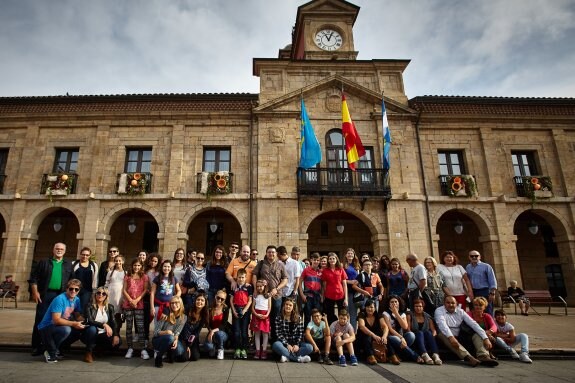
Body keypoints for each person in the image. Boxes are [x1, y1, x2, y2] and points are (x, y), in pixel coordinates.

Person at [29, 242, 73, 356]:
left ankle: (54, 346)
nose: (59, 250)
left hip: (61, 296)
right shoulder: (44, 262)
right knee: (40, 319)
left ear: (65, 251)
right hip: (45, 294)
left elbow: (72, 281)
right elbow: (34, 278)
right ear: (53, 250)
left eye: (61, 249)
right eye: (57, 248)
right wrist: (35, 292)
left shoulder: (68, 264)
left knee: (59, 320)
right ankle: (36, 346)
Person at [434, 295, 498, 367]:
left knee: (477, 334)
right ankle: (468, 357)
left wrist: (485, 338)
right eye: (448, 303)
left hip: (460, 335)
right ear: (444, 303)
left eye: (453, 303)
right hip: (446, 336)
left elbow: (473, 324)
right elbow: (443, 326)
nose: (450, 305)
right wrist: (451, 337)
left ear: (456, 304)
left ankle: (483, 356)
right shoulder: (439, 311)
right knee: (443, 335)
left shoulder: (461, 311)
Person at [37, 279, 86, 363]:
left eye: (76, 289)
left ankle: (57, 348)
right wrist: (74, 323)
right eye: (71, 289)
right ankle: (50, 351)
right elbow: (56, 320)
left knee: (78, 332)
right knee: (66, 330)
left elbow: (77, 315)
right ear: (66, 289)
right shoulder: (60, 299)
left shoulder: (77, 299)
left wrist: (86, 321)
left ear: (79, 290)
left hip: (61, 325)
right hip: (47, 326)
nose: (73, 291)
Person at [252, 245, 288, 336]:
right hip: (263, 296)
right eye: (269, 252)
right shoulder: (261, 263)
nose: (271, 254)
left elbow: (285, 279)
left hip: (276, 295)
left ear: (276, 254)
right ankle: (259, 342)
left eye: (273, 252)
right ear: (266, 253)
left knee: (275, 318)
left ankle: (274, 340)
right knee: (261, 317)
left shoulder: (281, 265)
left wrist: (277, 288)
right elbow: (254, 275)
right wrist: (256, 288)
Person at [82, 286, 121, 363]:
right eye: (98, 293)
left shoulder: (110, 307)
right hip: (90, 333)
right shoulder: (89, 306)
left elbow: (113, 322)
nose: (100, 295)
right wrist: (104, 325)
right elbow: (90, 321)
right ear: (95, 294)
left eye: (104, 294)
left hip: (102, 333)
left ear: (106, 296)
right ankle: (88, 352)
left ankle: (99, 349)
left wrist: (116, 335)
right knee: (92, 328)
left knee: (118, 342)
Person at [122, 258, 149, 360]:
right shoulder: (127, 276)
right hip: (128, 304)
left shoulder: (144, 277)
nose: (136, 267)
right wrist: (130, 300)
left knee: (140, 327)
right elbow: (124, 290)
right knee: (129, 327)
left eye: (138, 265)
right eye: (135, 265)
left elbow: (145, 290)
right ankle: (130, 348)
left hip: (139, 304)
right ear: (132, 266)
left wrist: (136, 300)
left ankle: (143, 349)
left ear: (141, 266)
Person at [381, 295, 420, 364]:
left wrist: (396, 313)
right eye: (392, 302)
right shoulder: (385, 313)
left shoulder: (402, 314)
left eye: (396, 302)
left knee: (411, 335)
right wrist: (401, 338)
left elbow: (405, 327)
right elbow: (390, 329)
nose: (394, 303)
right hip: (392, 336)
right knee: (396, 339)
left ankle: (398, 355)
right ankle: (414, 355)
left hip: (401, 335)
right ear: (389, 304)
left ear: (399, 303)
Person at [272, 298, 313, 363]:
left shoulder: (298, 318)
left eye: (290, 305)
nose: (288, 306)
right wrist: (287, 344)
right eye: (286, 304)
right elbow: (278, 334)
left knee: (309, 347)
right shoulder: (279, 317)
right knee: (276, 345)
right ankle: (298, 359)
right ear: (284, 305)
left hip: (295, 344)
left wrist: (297, 345)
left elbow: (300, 333)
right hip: (284, 344)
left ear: (293, 307)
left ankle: (286, 357)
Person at [152, 296, 187, 368]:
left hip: (172, 338)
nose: (174, 305)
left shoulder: (184, 317)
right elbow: (155, 332)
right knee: (170, 338)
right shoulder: (165, 314)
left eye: (176, 303)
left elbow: (177, 332)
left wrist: (176, 340)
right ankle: (159, 357)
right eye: (172, 303)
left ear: (180, 304)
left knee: (180, 351)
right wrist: (166, 332)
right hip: (158, 340)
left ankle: (169, 353)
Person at [408, 298, 442, 365]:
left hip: (426, 339)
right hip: (415, 339)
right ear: (413, 307)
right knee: (420, 332)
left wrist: (433, 336)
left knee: (428, 332)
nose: (418, 308)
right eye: (416, 306)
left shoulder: (427, 316)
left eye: (420, 306)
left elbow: (433, 330)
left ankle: (435, 355)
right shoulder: (410, 315)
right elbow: (408, 329)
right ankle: (424, 355)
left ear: (423, 307)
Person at [356, 299, 388, 365]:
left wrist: (384, 336)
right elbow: (362, 326)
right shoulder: (361, 314)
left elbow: (385, 326)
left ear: (375, 308)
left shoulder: (378, 315)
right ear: (365, 308)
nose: (369, 309)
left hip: (375, 338)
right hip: (362, 338)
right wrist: (373, 335)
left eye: (371, 307)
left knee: (388, 338)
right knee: (367, 337)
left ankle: (392, 355)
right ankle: (370, 356)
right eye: (367, 307)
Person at [230, 268, 253, 360]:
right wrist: (234, 311)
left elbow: (250, 300)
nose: (241, 279)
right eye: (239, 277)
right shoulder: (234, 286)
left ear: (245, 277)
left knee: (244, 332)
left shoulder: (248, 287)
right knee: (236, 332)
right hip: (236, 309)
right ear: (236, 277)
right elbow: (231, 300)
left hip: (245, 311)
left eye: (243, 277)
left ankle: (244, 349)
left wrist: (244, 311)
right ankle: (237, 349)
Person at [150, 260, 181, 326]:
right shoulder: (157, 278)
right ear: (161, 267)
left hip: (170, 306)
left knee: (168, 325)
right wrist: (152, 307)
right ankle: (157, 336)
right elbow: (152, 293)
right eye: (164, 266)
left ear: (171, 268)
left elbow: (179, 291)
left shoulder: (174, 278)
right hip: (158, 305)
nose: (166, 268)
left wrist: (175, 297)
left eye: (168, 266)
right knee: (158, 325)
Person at [466, 250, 497, 315]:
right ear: (469, 257)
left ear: (480, 257)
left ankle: (489, 324)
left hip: (484, 291)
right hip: (473, 291)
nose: (474, 257)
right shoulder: (468, 267)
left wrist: (492, 293)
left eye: (476, 256)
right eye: (472, 256)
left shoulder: (486, 266)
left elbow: (492, 279)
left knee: (487, 310)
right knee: (474, 310)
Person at [321, 252, 348, 325]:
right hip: (329, 296)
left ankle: (342, 330)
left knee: (342, 314)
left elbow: (344, 284)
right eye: (330, 259)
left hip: (340, 295)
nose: (332, 260)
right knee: (329, 314)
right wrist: (323, 296)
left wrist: (346, 299)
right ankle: (332, 330)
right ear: (328, 260)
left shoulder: (341, 269)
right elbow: (324, 285)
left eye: (333, 258)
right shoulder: (325, 271)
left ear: (336, 259)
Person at [181, 291, 209, 361]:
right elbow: (182, 327)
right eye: (198, 300)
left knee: (195, 357)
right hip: (182, 337)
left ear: (205, 303)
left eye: (202, 300)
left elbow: (196, 332)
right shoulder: (187, 309)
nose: (199, 302)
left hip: (192, 339)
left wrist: (189, 344)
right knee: (184, 358)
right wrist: (186, 345)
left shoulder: (204, 316)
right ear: (195, 301)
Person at [204, 289, 230, 360]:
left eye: (222, 299)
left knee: (219, 334)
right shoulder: (209, 308)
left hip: (222, 333)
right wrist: (210, 331)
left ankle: (220, 350)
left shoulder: (225, 308)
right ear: (215, 297)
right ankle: (214, 346)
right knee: (208, 347)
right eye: (218, 298)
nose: (219, 300)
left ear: (224, 300)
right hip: (212, 332)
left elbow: (223, 325)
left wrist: (213, 331)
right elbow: (207, 323)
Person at [299, 252, 322, 326]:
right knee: (307, 316)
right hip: (308, 296)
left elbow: (323, 285)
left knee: (317, 316)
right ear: (311, 260)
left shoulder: (320, 271)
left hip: (317, 296)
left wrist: (322, 295)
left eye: (318, 260)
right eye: (314, 260)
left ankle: (317, 334)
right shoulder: (306, 270)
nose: (316, 262)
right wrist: (302, 294)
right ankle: (306, 335)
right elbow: (299, 282)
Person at [143, 253, 161, 349]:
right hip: (146, 296)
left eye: (155, 261)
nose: (153, 263)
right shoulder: (145, 271)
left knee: (157, 319)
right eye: (152, 260)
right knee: (146, 319)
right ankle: (145, 338)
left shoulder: (159, 272)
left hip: (157, 296)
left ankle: (157, 338)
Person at [72, 247, 98, 311]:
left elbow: (95, 278)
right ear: (80, 254)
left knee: (84, 308)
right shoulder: (74, 264)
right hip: (74, 290)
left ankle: (82, 320)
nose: (85, 256)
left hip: (87, 291)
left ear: (90, 256)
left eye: (87, 255)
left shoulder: (94, 265)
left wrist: (94, 291)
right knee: (73, 307)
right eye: (83, 254)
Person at [251, 279, 272, 359]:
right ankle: (257, 350)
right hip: (257, 315)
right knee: (257, 333)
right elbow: (252, 307)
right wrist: (256, 314)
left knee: (265, 334)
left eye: (261, 286)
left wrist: (266, 314)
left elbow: (269, 307)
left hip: (265, 316)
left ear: (264, 286)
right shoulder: (255, 295)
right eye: (257, 286)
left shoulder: (268, 296)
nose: (259, 288)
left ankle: (264, 351)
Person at [105, 255, 126, 330]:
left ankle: (117, 331)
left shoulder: (125, 273)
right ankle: (109, 330)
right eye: (116, 260)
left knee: (118, 313)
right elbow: (106, 283)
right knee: (109, 312)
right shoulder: (110, 272)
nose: (118, 262)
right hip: (110, 293)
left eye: (120, 260)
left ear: (123, 262)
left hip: (120, 295)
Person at [341, 248, 360, 329]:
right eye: (348, 253)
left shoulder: (357, 265)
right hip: (346, 291)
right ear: (346, 255)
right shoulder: (342, 265)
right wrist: (350, 282)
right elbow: (341, 279)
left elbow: (358, 278)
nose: (350, 255)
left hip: (355, 291)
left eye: (352, 254)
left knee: (354, 313)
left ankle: (353, 332)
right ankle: (345, 330)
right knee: (346, 312)